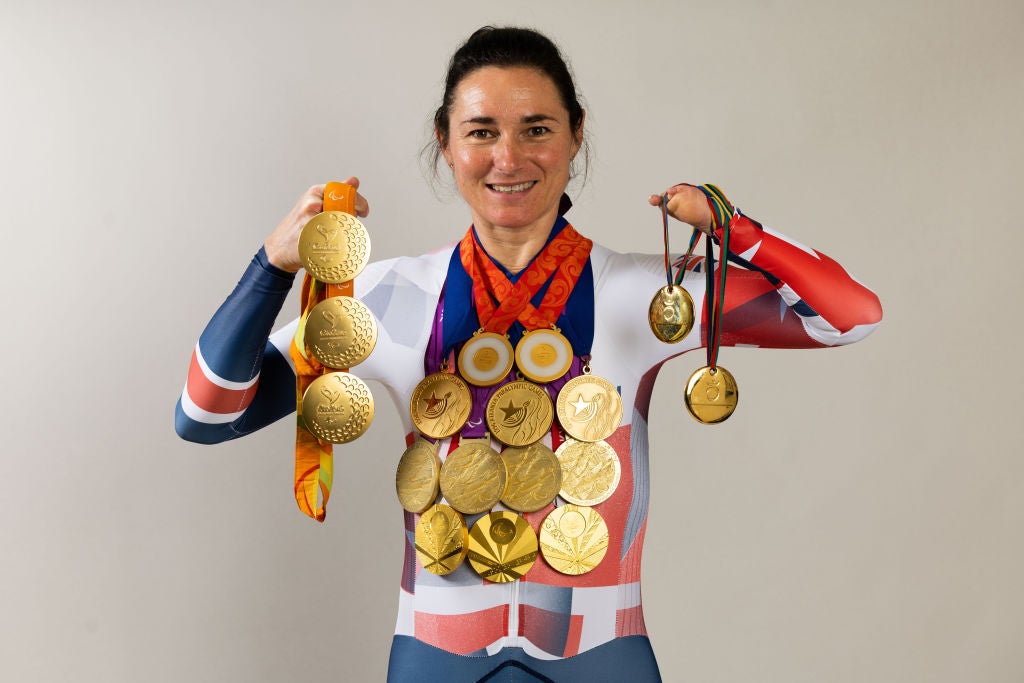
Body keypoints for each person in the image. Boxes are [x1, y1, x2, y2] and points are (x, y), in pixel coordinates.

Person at [176, 26, 882, 682]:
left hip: (601, 652)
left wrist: (736, 224)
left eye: (536, 130)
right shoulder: (386, 296)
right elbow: (206, 414)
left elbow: (849, 315)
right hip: (434, 653)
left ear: (575, 136)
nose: (507, 158)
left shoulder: (645, 295)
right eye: (481, 132)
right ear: (446, 143)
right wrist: (272, 264)